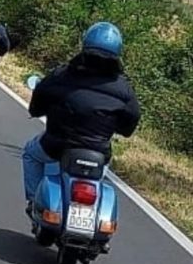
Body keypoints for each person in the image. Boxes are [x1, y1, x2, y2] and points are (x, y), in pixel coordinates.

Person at [22, 22, 140, 216]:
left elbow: (40, 97)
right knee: (97, 180)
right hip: (98, 153)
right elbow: (130, 123)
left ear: (85, 46)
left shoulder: (63, 74)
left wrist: (37, 110)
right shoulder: (124, 88)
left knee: (30, 153)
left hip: (57, 146)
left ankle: (34, 202)